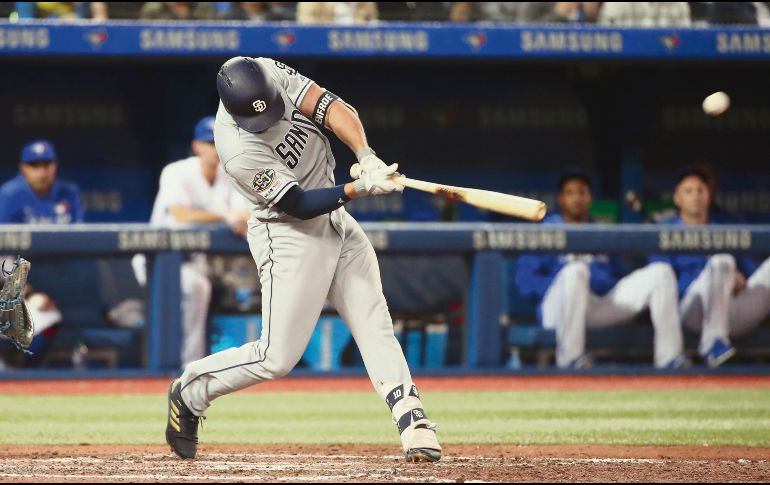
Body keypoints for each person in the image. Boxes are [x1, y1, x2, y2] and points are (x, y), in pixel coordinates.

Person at [165, 56, 441, 463]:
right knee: (276, 357)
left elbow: (334, 109)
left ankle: (412, 420)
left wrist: (366, 155)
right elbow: (297, 203)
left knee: (373, 321)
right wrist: (358, 189)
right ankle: (190, 390)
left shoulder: (270, 72)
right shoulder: (236, 150)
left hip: (336, 220)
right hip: (289, 233)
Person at [515, 170, 687, 369]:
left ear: (590, 198)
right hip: (556, 310)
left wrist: (595, 281)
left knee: (661, 272)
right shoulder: (547, 231)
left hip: (594, 305)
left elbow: (613, 277)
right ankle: (570, 359)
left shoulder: (599, 232)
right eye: (571, 193)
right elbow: (525, 282)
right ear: (561, 198)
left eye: (582, 192)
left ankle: (669, 359)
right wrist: (564, 283)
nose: (577, 198)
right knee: (576, 271)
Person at [134, 116, 249, 368]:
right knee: (195, 289)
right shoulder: (176, 171)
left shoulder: (230, 174)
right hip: (161, 261)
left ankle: (191, 368)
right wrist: (225, 216)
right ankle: (179, 367)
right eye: (209, 142)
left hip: (200, 260)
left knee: (207, 287)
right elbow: (181, 215)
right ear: (197, 146)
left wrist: (237, 217)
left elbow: (244, 216)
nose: (214, 148)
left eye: (219, 141)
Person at [649, 167, 770, 367]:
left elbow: (752, 274)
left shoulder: (726, 227)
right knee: (721, 261)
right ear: (677, 198)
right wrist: (711, 278)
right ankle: (712, 344)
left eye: (700, 190)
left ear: (709, 196)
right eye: (689, 191)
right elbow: (662, 284)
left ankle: (718, 339)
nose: (696, 196)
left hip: (731, 309)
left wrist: (739, 279)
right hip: (693, 310)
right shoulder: (665, 230)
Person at [0, 140, 83, 367]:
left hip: (52, 282)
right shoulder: (9, 195)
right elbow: (2, 253)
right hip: (10, 286)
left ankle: (23, 374)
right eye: (34, 165)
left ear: (55, 166)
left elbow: (79, 246)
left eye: (47, 164)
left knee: (47, 317)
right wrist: (22, 287)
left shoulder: (69, 193)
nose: (42, 171)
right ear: (23, 168)